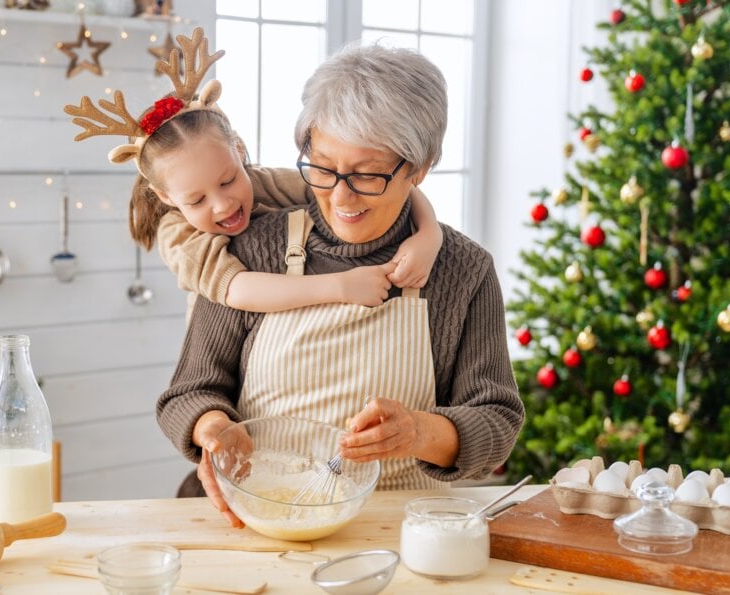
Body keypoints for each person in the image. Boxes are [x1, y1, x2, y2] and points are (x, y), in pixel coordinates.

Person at [154, 41, 524, 529]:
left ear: (419, 167)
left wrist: (419, 432)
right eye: (323, 168)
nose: (341, 196)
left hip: (401, 526)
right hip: (260, 513)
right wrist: (216, 430)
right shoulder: (249, 249)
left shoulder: (463, 270)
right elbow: (189, 393)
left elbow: (496, 418)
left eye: (367, 175)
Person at [66, 27, 441, 314]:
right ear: (166, 197)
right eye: (196, 199)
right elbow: (236, 289)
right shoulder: (178, 234)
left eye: (228, 179)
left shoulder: (263, 182)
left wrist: (429, 235)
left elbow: (368, 183)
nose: (222, 204)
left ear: (240, 152)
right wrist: (341, 286)